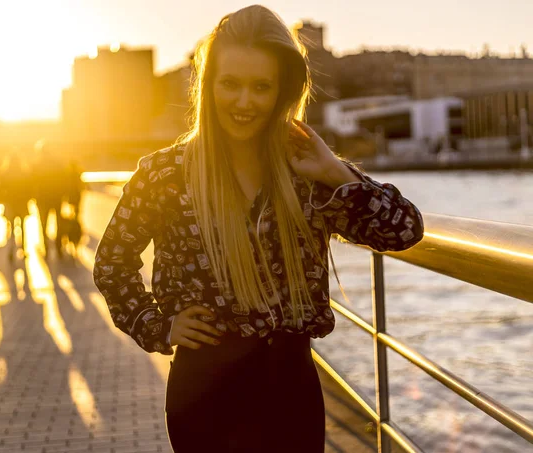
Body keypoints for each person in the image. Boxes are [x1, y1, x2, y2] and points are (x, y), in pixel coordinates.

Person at [93, 5, 424, 452]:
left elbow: (403, 231)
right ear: (208, 86)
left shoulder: (306, 174)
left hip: (291, 388)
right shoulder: (165, 174)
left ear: (281, 92)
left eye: (261, 87)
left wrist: (338, 174)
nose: (244, 102)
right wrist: (157, 326)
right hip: (204, 390)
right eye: (230, 84)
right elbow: (112, 263)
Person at [0, 148, 32, 262]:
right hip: (21, 203)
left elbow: (0, 188)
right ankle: (23, 248)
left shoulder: (6, 173)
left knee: (11, 228)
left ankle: (11, 250)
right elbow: (29, 188)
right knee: (22, 227)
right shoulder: (23, 172)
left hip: (11, 203)